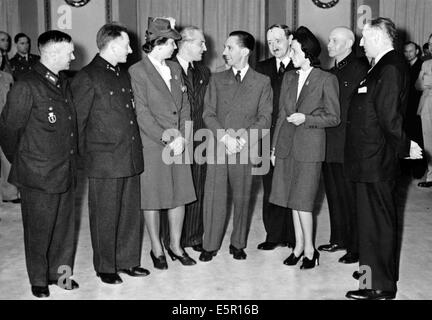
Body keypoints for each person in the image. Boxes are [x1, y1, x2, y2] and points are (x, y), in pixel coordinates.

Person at [345, 18, 422, 300]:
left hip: (376, 159)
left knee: (375, 224)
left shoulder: (390, 66)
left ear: (378, 37)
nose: (361, 43)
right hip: (369, 158)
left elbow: (390, 116)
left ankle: (378, 285)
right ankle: (376, 271)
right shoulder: (381, 66)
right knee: (372, 223)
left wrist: (404, 147)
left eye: (364, 38)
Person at [0, 30, 78, 298]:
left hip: (65, 168)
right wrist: (24, 162)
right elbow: (9, 130)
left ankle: (62, 276)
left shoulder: (63, 82)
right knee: (39, 230)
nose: (73, 56)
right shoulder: (27, 85)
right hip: (38, 173)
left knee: (65, 229)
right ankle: (39, 279)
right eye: (69, 52)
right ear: (53, 53)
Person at [71, 23, 149, 285]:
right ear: (113, 45)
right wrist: (84, 162)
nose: (130, 50)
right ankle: (105, 266)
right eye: (126, 45)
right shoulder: (87, 76)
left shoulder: (122, 74)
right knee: (105, 215)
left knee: (129, 213)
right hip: (103, 160)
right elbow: (77, 124)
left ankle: (127, 261)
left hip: (128, 155)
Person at [129, 17, 197, 270]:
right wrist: (169, 137)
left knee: (179, 194)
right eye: (172, 43)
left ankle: (176, 246)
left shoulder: (175, 68)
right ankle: (156, 247)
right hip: (154, 143)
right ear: (159, 43)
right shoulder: (137, 71)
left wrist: (183, 137)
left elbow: (186, 105)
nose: (175, 48)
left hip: (179, 142)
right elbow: (142, 113)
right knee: (153, 197)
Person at [269, 26, 340, 270]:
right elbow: (280, 115)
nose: (291, 53)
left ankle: (310, 251)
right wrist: (275, 149)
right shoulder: (289, 77)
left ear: (307, 53)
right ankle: (298, 247)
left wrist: (306, 118)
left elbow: (333, 117)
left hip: (310, 148)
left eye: (295, 50)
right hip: (287, 146)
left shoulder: (326, 79)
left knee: (304, 202)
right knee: (291, 199)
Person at [199, 30, 272, 262]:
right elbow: (208, 113)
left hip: (245, 148)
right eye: (225, 47)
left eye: (229, 48)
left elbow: (265, 118)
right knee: (214, 198)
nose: (224, 52)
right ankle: (209, 244)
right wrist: (224, 138)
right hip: (219, 146)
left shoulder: (262, 82)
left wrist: (242, 141)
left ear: (245, 51)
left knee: (242, 198)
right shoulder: (217, 79)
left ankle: (238, 243)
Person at [318, 27, 368, 264]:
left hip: (348, 143)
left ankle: (356, 247)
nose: (329, 44)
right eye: (329, 40)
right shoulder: (330, 72)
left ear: (349, 43)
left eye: (334, 40)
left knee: (350, 197)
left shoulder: (360, 69)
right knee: (334, 194)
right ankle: (338, 238)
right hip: (329, 143)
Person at [161, 26, 210, 253]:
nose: (205, 48)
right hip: (174, 139)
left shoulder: (204, 72)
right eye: (201, 43)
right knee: (172, 190)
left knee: (197, 186)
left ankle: (193, 235)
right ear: (186, 43)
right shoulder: (166, 69)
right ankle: (170, 239)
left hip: (199, 138)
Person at [255, 24, 296, 251]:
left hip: (290, 135)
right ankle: (273, 234)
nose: (274, 46)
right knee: (269, 187)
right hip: (266, 136)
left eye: (278, 40)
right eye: (270, 42)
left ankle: (292, 234)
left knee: (290, 185)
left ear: (290, 39)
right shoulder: (262, 68)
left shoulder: (301, 64)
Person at [402, 41, 426, 179]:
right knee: (407, 138)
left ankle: (418, 171)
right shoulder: (403, 66)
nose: (408, 54)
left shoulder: (423, 65)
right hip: (406, 110)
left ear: (417, 51)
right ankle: (406, 171)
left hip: (418, 109)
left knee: (419, 139)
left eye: (411, 51)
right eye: (405, 51)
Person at [0, 52, 20, 204]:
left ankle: (10, 193)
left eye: (0, 56)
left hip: (4, 122)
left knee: (7, 158)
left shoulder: (7, 77)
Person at [416, 34, 432, 188]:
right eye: (431, 43)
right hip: (427, 103)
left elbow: (425, 81)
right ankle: (431, 176)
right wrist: (426, 80)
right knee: (428, 142)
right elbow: (418, 86)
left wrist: (426, 80)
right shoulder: (426, 64)